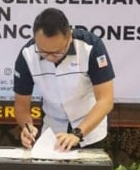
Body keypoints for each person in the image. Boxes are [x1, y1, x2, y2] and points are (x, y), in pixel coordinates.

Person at [13, 8, 115, 151]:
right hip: (53, 130)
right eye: (43, 52)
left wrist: (77, 133)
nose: (50, 57)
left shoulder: (91, 47)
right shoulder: (27, 55)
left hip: (89, 127)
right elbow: (21, 105)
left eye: (57, 52)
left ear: (69, 38)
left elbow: (106, 100)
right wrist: (27, 127)